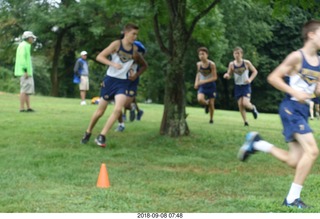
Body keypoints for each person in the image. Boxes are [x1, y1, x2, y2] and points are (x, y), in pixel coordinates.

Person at [237, 19, 320, 208]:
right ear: (312, 34)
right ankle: (291, 199)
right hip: (290, 108)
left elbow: (317, 89)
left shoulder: (319, 62)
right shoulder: (296, 57)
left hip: (302, 112)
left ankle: (258, 143)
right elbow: (273, 77)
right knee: (313, 151)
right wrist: (294, 92)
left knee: (295, 160)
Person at [80, 23, 147, 147]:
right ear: (126, 33)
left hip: (123, 83)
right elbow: (100, 57)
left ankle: (102, 136)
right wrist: (112, 64)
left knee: (117, 110)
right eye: (133, 34)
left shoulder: (135, 50)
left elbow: (144, 65)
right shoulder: (116, 44)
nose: (135, 37)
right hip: (110, 81)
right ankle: (88, 131)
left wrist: (135, 75)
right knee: (100, 112)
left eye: (137, 34)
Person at [115, 40, 147, 132]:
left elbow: (144, 65)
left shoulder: (136, 58)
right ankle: (122, 122)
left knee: (125, 103)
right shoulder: (122, 54)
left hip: (131, 81)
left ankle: (131, 109)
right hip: (120, 80)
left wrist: (136, 75)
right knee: (120, 104)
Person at [223, 47, 259, 126]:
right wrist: (226, 75)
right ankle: (245, 122)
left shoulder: (246, 63)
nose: (237, 55)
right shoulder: (231, 64)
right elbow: (229, 74)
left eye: (238, 53)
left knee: (245, 103)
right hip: (238, 86)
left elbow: (255, 71)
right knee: (240, 104)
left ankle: (253, 109)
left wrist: (250, 79)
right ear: (233, 54)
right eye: (235, 53)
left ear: (241, 54)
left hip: (246, 86)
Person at [14, 31, 37, 112]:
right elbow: (22, 59)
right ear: (28, 38)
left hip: (27, 71)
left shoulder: (26, 45)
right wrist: (25, 71)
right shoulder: (23, 46)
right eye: (32, 37)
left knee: (27, 91)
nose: (33, 39)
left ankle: (28, 107)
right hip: (25, 72)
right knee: (24, 90)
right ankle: (22, 108)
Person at [194, 47, 217, 124]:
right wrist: (196, 82)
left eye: (203, 54)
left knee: (212, 103)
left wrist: (203, 81)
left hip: (211, 85)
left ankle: (211, 119)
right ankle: (206, 104)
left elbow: (215, 77)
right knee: (200, 99)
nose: (201, 56)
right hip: (202, 85)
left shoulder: (211, 64)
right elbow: (198, 73)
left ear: (207, 55)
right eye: (200, 54)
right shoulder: (198, 64)